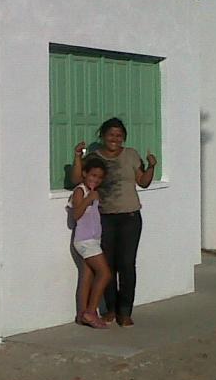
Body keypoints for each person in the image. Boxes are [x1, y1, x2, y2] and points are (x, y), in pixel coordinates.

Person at [72, 117, 157, 326]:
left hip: (130, 217)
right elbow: (77, 179)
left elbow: (143, 182)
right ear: (103, 136)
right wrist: (77, 156)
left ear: (124, 138)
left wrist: (152, 166)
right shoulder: (95, 157)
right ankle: (110, 309)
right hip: (104, 218)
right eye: (111, 134)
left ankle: (125, 311)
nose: (115, 139)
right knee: (108, 265)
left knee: (127, 264)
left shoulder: (131, 155)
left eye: (119, 135)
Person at [67, 157, 112, 329]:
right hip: (85, 240)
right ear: (85, 174)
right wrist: (89, 199)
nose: (96, 180)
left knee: (87, 276)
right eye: (93, 175)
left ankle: (81, 314)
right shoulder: (80, 191)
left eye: (99, 177)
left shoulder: (94, 192)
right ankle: (91, 312)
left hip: (92, 239)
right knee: (104, 274)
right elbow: (76, 215)